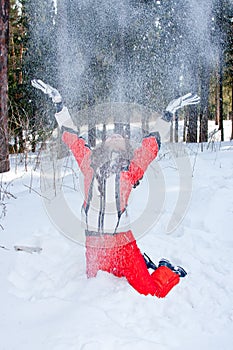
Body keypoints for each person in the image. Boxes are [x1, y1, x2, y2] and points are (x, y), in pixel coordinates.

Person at [32, 79, 200, 298]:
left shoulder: (131, 169)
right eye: (110, 135)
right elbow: (72, 137)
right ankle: (142, 262)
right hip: (95, 247)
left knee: (152, 291)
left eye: (119, 136)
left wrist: (167, 115)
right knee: (96, 286)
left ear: (126, 148)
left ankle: (167, 269)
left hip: (123, 247)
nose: (114, 136)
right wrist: (59, 105)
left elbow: (152, 143)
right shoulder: (89, 162)